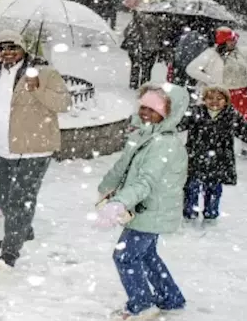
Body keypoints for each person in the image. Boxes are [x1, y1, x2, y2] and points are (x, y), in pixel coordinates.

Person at [0, 30, 71, 267]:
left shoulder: (44, 73)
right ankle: (24, 230)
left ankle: (10, 250)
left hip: (34, 148)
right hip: (1, 147)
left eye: (12, 47)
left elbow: (64, 103)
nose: (7, 53)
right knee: (4, 197)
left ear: (23, 49)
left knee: (21, 198)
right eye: (2, 49)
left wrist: (37, 88)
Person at [96, 84, 188, 320]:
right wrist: (107, 189)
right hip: (144, 207)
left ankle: (142, 306)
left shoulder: (164, 144)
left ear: (169, 112)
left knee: (125, 256)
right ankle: (171, 297)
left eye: (153, 109)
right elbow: (123, 166)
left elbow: (145, 181)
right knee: (146, 255)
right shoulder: (143, 134)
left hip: (152, 209)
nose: (145, 113)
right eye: (143, 107)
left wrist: (120, 203)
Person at [178, 85, 247, 222]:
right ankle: (189, 217)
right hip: (195, 161)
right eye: (210, 98)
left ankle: (210, 219)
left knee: (213, 192)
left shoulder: (231, 116)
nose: (214, 101)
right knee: (191, 190)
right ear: (204, 99)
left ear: (226, 101)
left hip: (218, 163)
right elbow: (175, 124)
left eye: (219, 99)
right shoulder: (196, 113)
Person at [185, 26, 247, 158]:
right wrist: (209, 80)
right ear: (223, 41)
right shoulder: (210, 54)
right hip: (222, 95)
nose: (234, 42)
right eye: (231, 40)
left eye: (234, 40)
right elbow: (191, 69)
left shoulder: (239, 52)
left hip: (242, 93)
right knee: (217, 120)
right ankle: (211, 147)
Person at [122, 13, 170, 90]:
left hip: (137, 48)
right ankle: (144, 85)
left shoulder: (136, 20)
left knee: (135, 66)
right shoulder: (159, 22)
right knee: (147, 69)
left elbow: (127, 32)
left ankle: (133, 84)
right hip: (152, 49)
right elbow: (163, 36)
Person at [170, 19, 216, 90]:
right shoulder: (203, 40)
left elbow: (179, 50)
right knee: (191, 86)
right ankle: (189, 95)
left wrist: (177, 61)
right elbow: (204, 54)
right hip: (194, 66)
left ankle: (176, 95)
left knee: (178, 84)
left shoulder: (184, 37)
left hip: (183, 63)